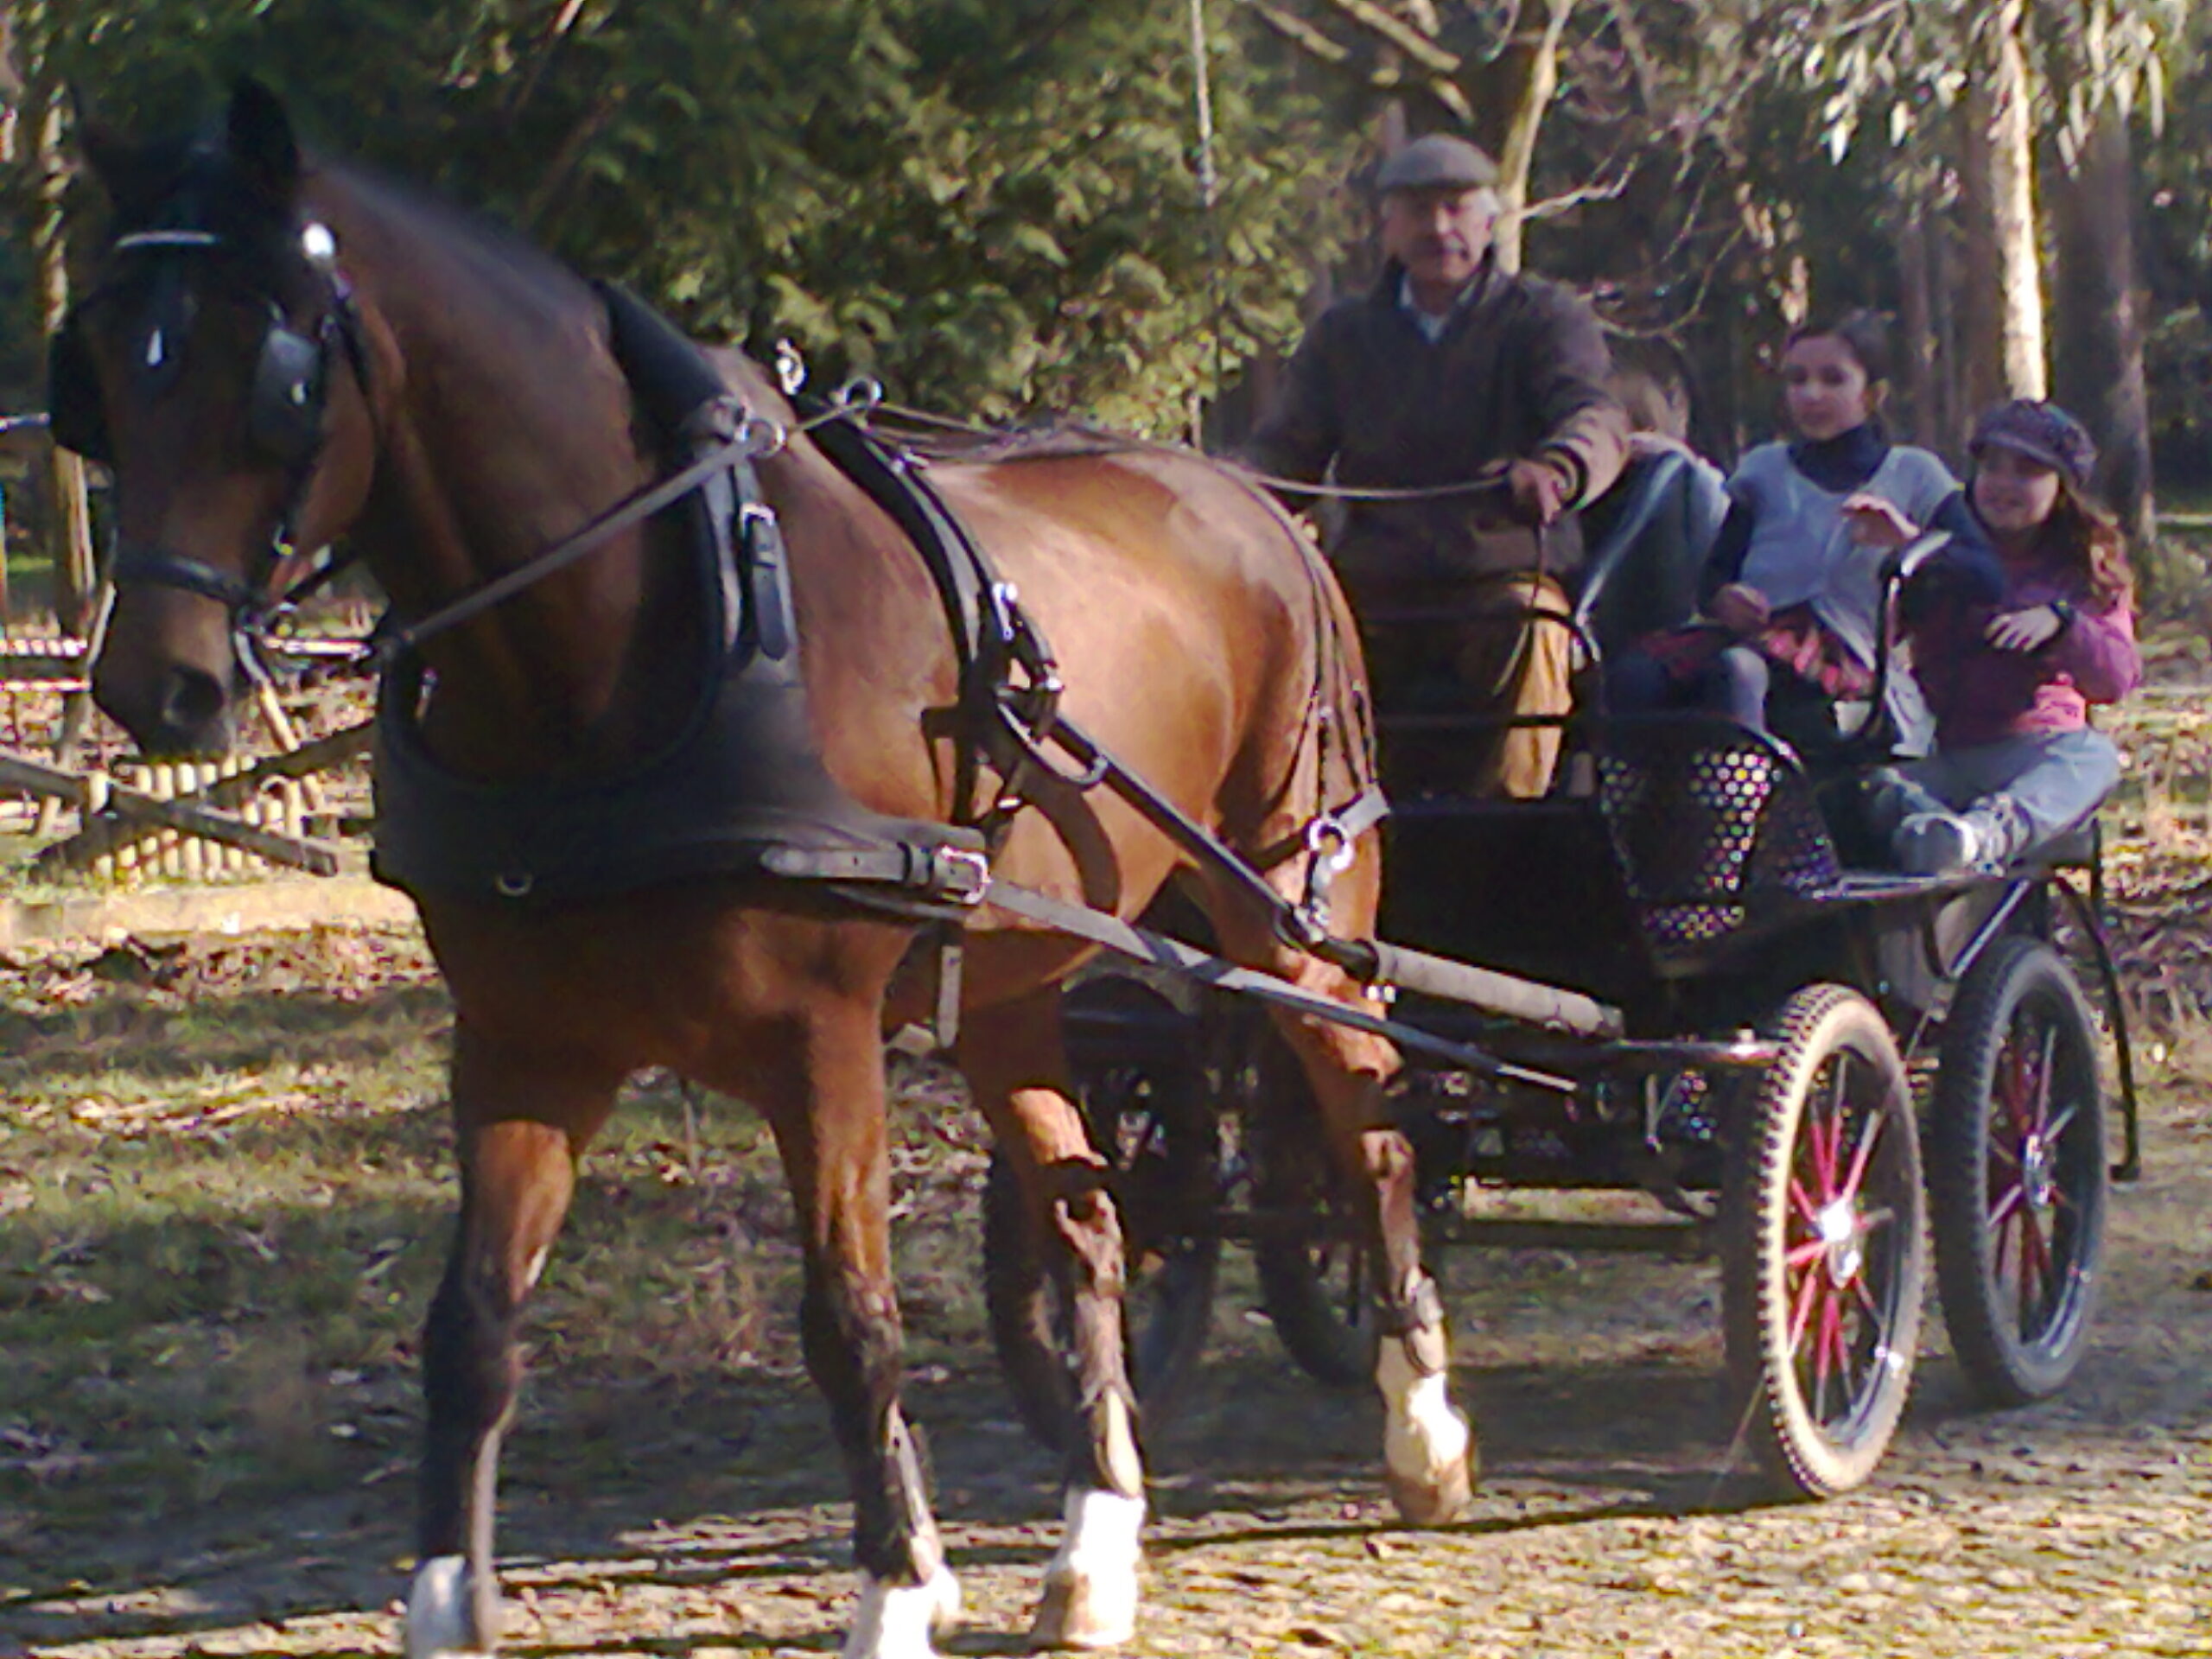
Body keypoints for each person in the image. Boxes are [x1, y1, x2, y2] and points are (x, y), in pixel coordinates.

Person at [1246, 132, 1630, 798]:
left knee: (1537, 630)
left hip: (1499, 573)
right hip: (1375, 583)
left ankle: (1508, 828)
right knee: (1277, 637)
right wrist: (1220, 495)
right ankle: (1314, 829)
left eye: (1456, 209)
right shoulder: (1344, 336)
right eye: (1418, 211)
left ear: (1489, 222)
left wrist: (1558, 467)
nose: (1438, 228)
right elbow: (1283, 455)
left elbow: (1596, 418)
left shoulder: (1541, 318)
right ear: (1386, 227)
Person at [1611, 309, 1997, 748]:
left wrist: (1909, 542)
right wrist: (1725, 599)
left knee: (1738, 672)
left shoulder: (1914, 474)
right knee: (1636, 674)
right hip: (1756, 637)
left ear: (1872, 394)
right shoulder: (1763, 470)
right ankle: (1637, 805)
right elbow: (1715, 577)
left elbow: (1987, 579)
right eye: (1797, 380)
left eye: (1833, 380)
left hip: (1844, 657)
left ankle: (1737, 810)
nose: (1811, 395)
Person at [1869, 400, 2141, 874]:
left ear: (2062, 488)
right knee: (1867, 785)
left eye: (2027, 470)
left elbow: (2117, 680)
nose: (2003, 484)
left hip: (2038, 754)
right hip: (1945, 755)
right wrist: (1902, 558)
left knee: (2095, 756)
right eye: (1991, 466)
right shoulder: (1939, 550)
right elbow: (1873, 642)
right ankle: (1934, 833)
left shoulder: (2086, 568)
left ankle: (1983, 837)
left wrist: (2063, 624)